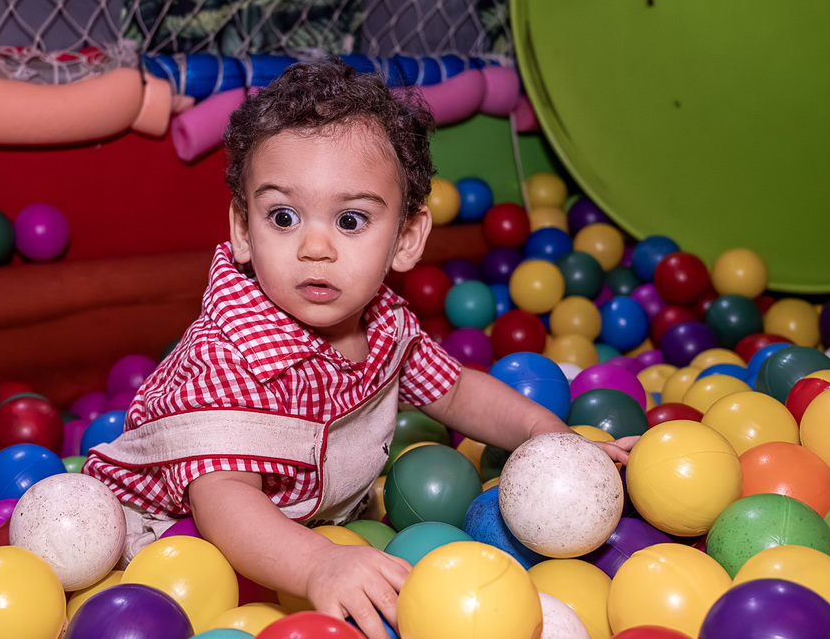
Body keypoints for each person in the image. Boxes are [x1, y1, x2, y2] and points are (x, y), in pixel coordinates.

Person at [84, 58, 635, 639]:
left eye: (350, 220)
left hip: (306, 534)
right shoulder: (231, 353)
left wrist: (547, 438)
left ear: (406, 238)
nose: (315, 247)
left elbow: (456, 392)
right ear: (244, 230)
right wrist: (319, 563)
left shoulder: (384, 323)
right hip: (163, 553)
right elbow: (224, 502)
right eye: (283, 216)